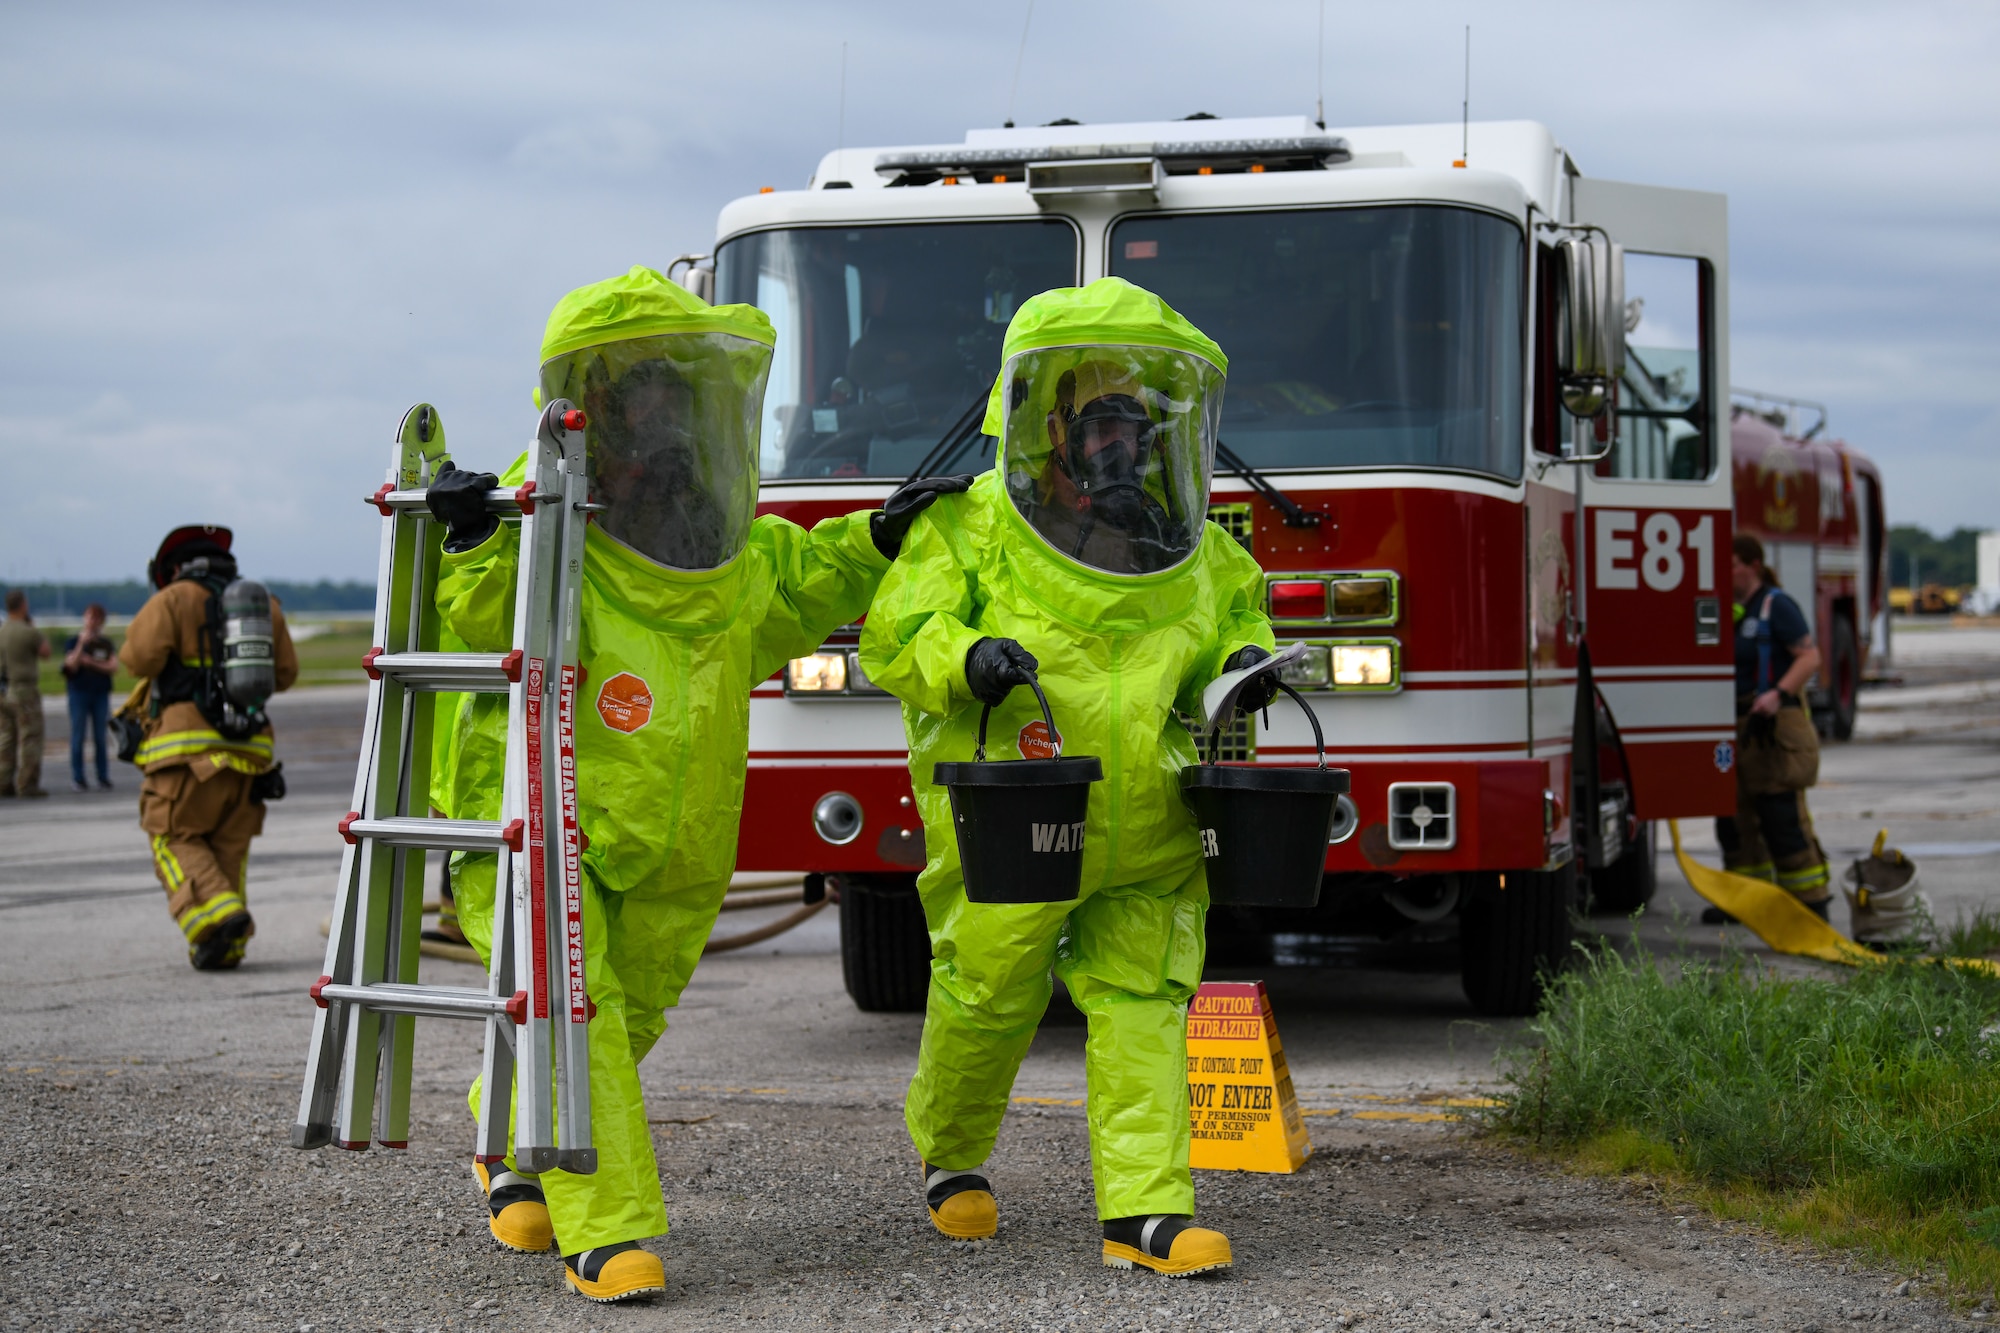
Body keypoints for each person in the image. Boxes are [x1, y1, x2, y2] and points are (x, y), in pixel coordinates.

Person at [426, 265, 967, 1303]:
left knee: (618, 1021)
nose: (668, 419)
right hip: (542, 820)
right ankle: (607, 1228)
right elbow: (483, 615)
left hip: (680, 837)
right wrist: (469, 528)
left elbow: (795, 588)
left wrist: (879, 536)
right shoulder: (537, 513)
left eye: (682, 396)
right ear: (597, 400)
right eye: (647, 395)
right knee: (576, 1010)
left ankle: (505, 1141)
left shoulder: (718, 547)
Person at [857, 277, 1277, 1278]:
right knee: (989, 991)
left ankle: (1146, 1213)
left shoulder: (1196, 548)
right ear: (1045, 426)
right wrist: (967, 660)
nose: (1116, 443)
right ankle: (949, 1148)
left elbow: (1240, 621)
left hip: (1150, 820)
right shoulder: (967, 527)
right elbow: (896, 634)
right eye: (1095, 421)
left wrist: (1238, 671)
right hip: (1019, 808)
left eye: (1132, 420)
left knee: (1143, 998)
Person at [120, 526, 299, 968]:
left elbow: (137, 659)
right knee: (228, 852)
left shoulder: (173, 598)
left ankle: (218, 919)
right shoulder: (264, 607)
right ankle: (226, 947)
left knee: (172, 836)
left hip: (185, 750)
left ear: (174, 567)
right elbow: (286, 674)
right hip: (250, 753)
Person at [1705, 532, 1830, 924]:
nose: (1723, 574)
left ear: (1753, 566)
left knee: (1781, 817)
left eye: (1731, 565)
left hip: (1772, 726)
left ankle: (1810, 904)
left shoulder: (1777, 605)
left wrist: (1777, 693)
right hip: (1734, 728)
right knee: (1733, 818)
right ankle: (1747, 902)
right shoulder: (1726, 609)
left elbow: (1809, 657)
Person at [0, 588, 52, 799]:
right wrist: (32, 626)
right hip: (24, 690)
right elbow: (46, 652)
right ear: (23, 605)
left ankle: (4, 781)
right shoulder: (27, 631)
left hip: (4, 690)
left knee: (6, 737)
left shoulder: (2, 630)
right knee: (30, 737)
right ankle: (27, 783)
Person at [63, 601, 118, 792]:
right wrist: (81, 645)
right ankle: (78, 778)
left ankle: (102, 776)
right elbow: (70, 666)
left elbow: (113, 666)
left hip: (100, 694)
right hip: (79, 693)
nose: (92, 621)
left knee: (100, 737)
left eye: (97, 618)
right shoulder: (73, 642)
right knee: (78, 736)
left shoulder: (105, 643)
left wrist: (91, 663)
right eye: (90, 617)